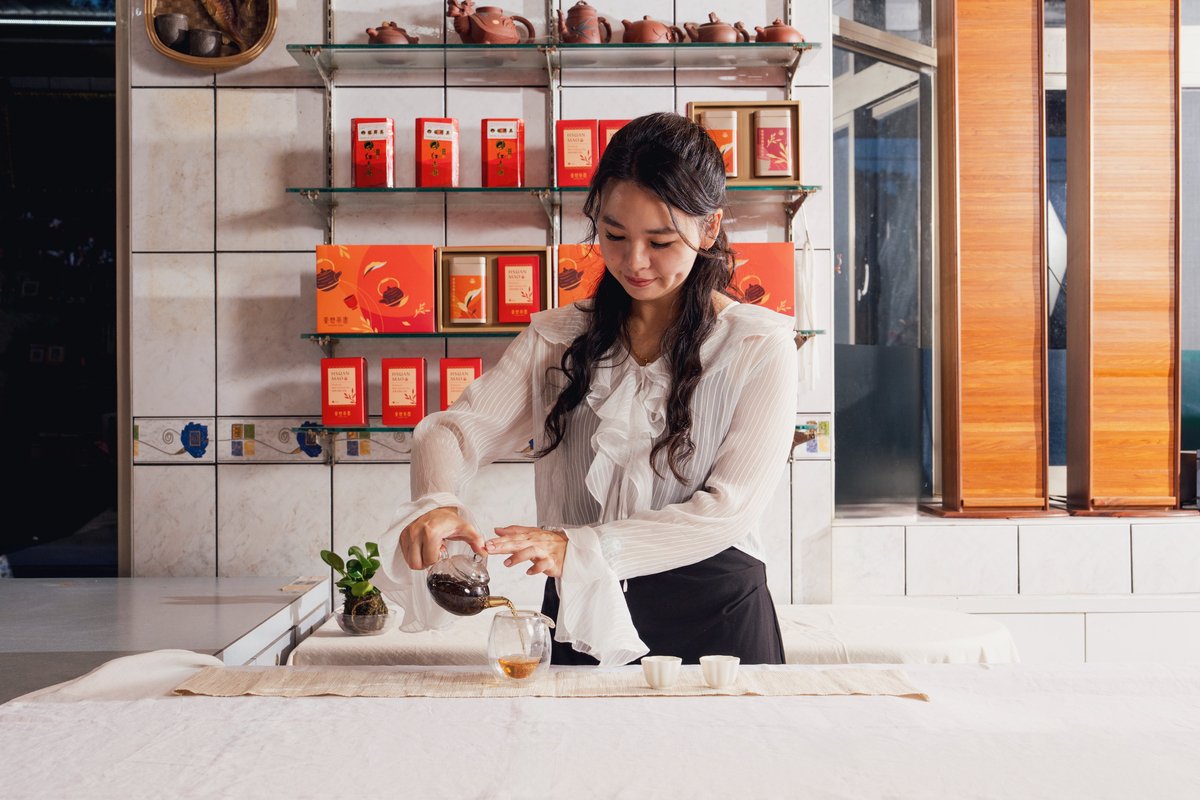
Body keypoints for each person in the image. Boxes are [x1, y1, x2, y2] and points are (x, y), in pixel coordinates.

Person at [374, 111, 798, 667]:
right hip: (578, 614)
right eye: (614, 235)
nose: (634, 262)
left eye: (661, 241)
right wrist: (440, 502)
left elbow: (728, 512)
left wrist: (581, 546)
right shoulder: (557, 336)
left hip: (716, 617)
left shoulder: (756, 344)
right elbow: (455, 432)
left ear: (709, 229)